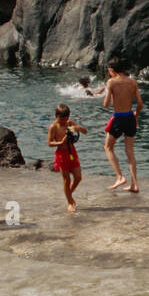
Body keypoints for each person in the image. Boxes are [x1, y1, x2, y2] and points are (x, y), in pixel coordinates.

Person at [97, 58, 142, 193]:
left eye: (109, 71)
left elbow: (105, 105)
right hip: (130, 117)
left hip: (118, 118)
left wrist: (108, 93)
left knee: (108, 147)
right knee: (130, 152)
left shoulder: (111, 82)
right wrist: (136, 115)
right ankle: (135, 185)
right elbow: (140, 104)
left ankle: (119, 176)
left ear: (112, 70)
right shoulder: (133, 82)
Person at [48, 103, 86, 212]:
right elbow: (49, 143)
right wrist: (60, 142)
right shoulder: (53, 127)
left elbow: (85, 131)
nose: (64, 122)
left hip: (72, 152)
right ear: (56, 117)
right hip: (61, 154)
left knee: (78, 177)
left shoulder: (70, 123)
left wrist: (78, 128)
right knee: (66, 179)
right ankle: (69, 202)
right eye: (62, 120)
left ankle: (69, 194)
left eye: (66, 119)